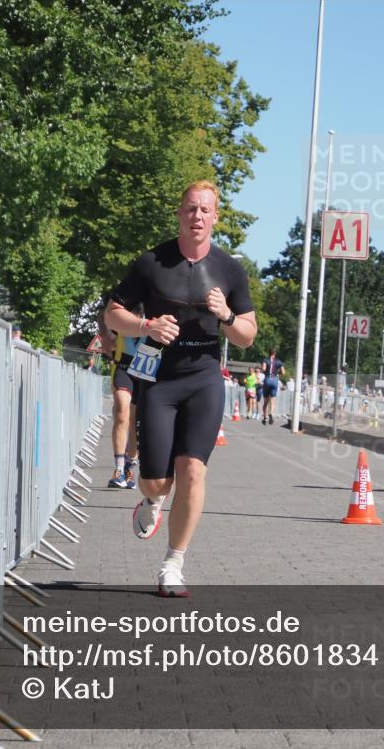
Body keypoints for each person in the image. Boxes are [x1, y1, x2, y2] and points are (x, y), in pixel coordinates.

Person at [105, 180, 256, 597]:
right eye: (191, 208)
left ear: (216, 218)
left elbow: (247, 336)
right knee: (157, 480)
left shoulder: (229, 269)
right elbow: (112, 314)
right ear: (179, 213)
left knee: (193, 469)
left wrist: (227, 314)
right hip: (159, 378)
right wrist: (145, 326)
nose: (198, 217)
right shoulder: (152, 262)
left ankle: (173, 563)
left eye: (206, 210)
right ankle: (151, 500)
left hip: (205, 377)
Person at [98, 306, 141, 489]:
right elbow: (103, 315)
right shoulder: (126, 304)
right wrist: (105, 335)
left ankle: (130, 466)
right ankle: (119, 469)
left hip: (147, 371)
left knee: (134, 420)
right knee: (122, 412)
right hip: (123, 367)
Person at [260, 348, 284, 425]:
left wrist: (266, 370)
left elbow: (263, 369)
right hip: (274, 380)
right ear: (275, 353)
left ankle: (265, 417)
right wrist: (277, 371)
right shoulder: (279, 362)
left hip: (267, 380)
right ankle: (271, 413)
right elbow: (283, 372)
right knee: (273, 400)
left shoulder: (265, 360)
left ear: (269, 353)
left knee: (265, 401)